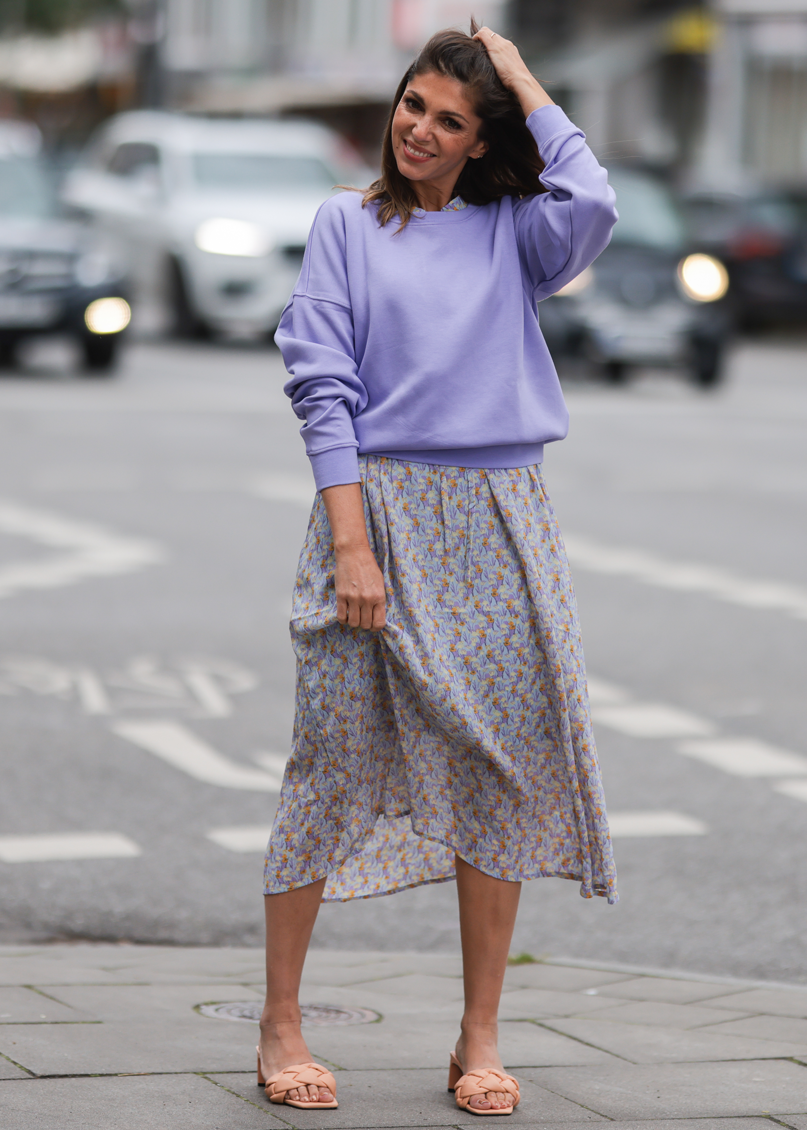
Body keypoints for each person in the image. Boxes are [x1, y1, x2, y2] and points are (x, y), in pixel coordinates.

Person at [263, 24, 618, 1117]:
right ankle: (280, 1022)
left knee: (500, 770)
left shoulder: (517, 232)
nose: (419, 129)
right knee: (327, 759)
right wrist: (354, 540)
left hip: (500, 518)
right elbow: (319, 380)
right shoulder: (344, 225)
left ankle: (479, 1033)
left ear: (480, 140)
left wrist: (521, 80)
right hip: (372, 512)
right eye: (413, 105)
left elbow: (594, 202)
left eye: (450, 119)